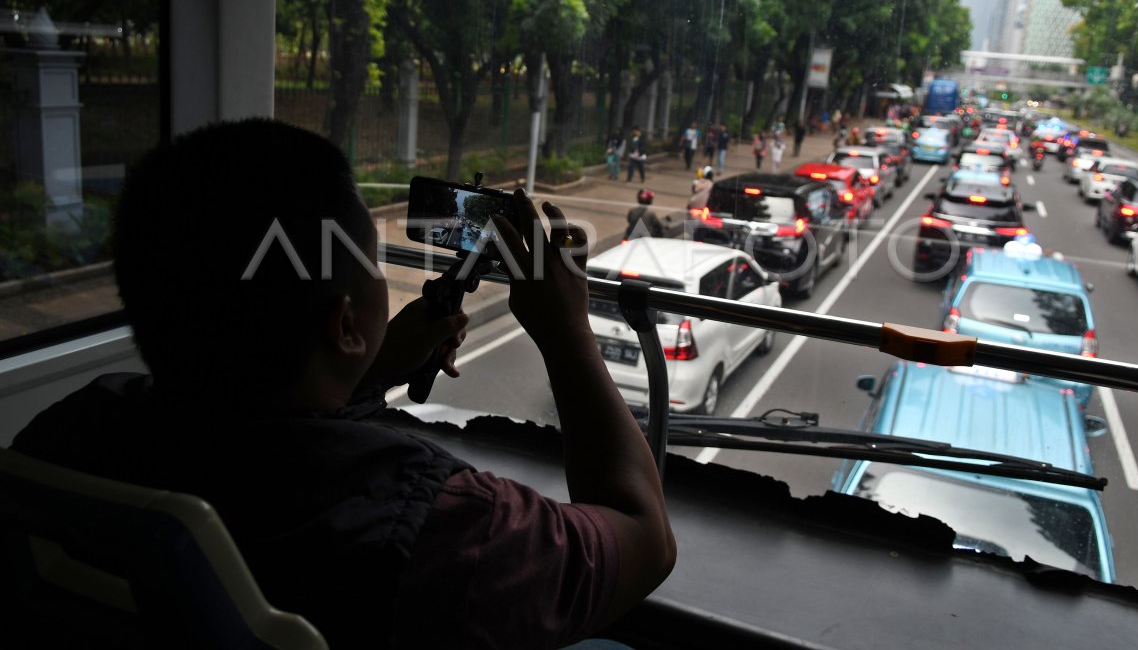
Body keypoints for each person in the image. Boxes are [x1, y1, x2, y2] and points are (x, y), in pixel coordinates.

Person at [11, 119, 675, 649]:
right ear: (346, 323)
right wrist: (567, 330)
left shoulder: (75, 427)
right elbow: (646, 539)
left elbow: (255, 431)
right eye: (373, 260)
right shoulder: (447, 531)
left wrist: (372, 367)